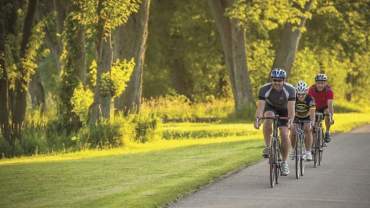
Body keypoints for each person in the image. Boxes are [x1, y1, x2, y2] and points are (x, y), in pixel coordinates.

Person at [254, 68, 296, 176]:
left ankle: (284, 162)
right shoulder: (264, 89)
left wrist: (290, 122)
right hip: (270, 108)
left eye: (279, 80)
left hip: (285, 110)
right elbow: (260, 108)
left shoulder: (290, 90)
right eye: (274, 80)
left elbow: (291, 110)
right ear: (271, 80)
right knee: (268, 116)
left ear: (284, 80)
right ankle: (268, 147)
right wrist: (257, 119)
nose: (277, 83)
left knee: (284, 134)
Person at [290, 81, 315, 161]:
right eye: (298, 94)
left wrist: (312, 122)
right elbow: (290, 109)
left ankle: (308, 152)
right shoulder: (293, 98)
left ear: (306, 92)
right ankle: (293, 150)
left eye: (302, 94)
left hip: (307, 116)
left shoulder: (310, 99)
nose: (300, 96)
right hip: (296, 116)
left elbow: (312, 112)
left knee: (307, 129)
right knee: (293, 131)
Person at [308, 73, 334, 143]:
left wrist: (331, 117)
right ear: (315, 83)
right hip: (314, 107)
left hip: (325, 107)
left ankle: (327, 132)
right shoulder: (311, 89)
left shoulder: (329, 91)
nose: (320, 85)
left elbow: (330, 105)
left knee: (327, 113)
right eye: (318, 83)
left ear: (325, 83)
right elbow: (309, 103)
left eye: (322, 83)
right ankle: (313, 145)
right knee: (314, 126)